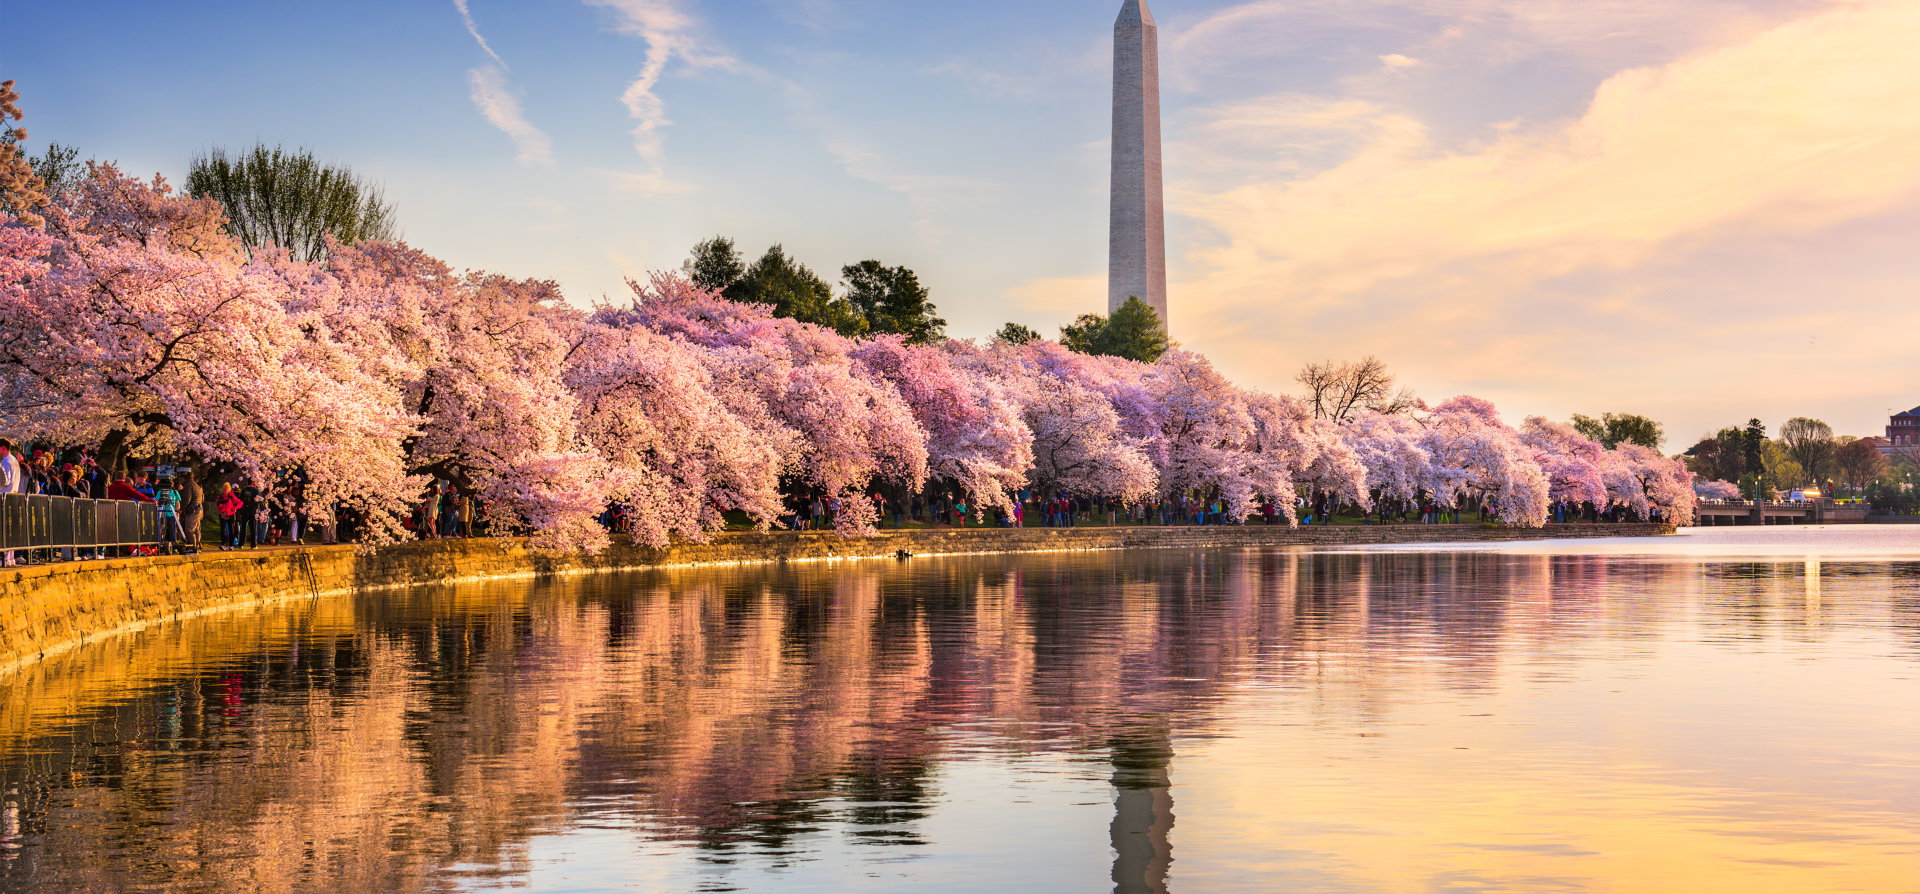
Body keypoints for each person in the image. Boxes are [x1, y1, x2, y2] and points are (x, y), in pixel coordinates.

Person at [217, 482, 243, 549]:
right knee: (223, 530)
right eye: (224, 489)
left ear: (229, 489)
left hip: (231, 514)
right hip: (222, 515)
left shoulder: (232, 496)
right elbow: (217, 507)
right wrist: (219, 506)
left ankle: (231, 545)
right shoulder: (220, 497)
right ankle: (223, 544)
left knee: (232, 529)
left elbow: (240, 502)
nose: (225, 490)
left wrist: (235, 508)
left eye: (227, 489)